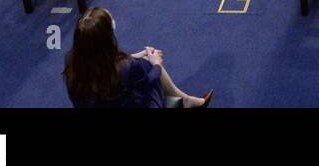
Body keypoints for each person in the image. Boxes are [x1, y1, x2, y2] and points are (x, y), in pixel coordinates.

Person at [64, 7, 211, 109]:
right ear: (106, 38)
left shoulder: (72, 63)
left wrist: (134, 56)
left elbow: (106, 64)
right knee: (147, 65)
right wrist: (156, 64)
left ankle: (187, 100)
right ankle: (186, 101)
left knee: (143, 62)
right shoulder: (128, 67)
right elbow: (149, 81)